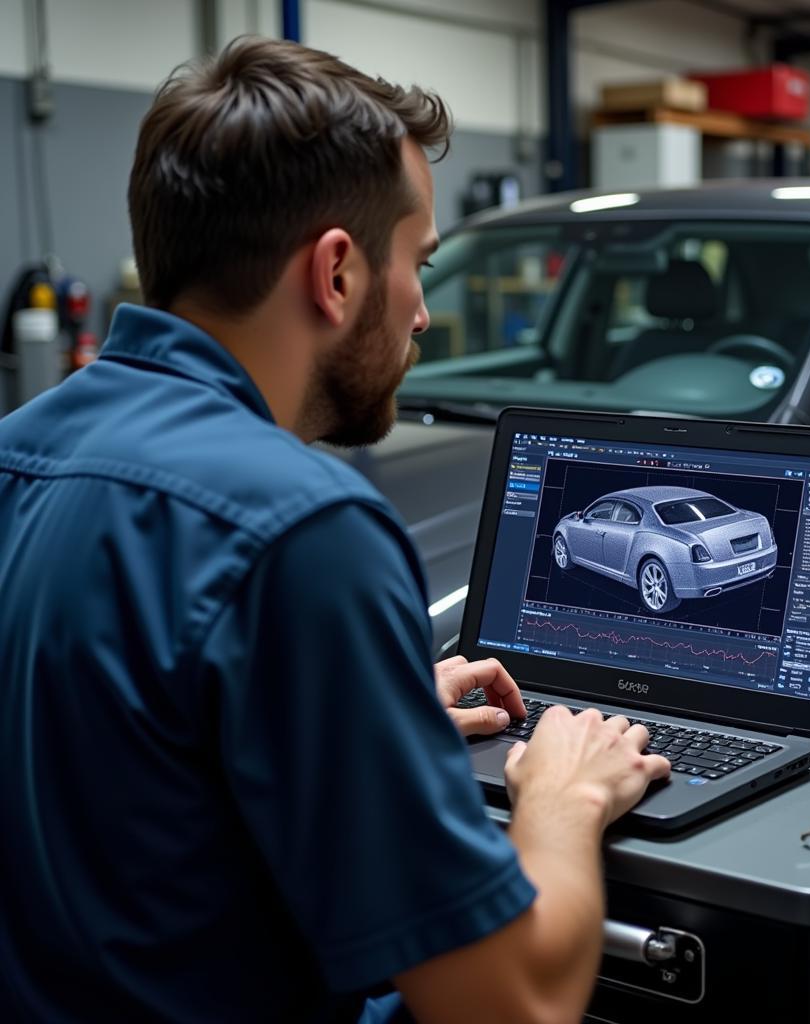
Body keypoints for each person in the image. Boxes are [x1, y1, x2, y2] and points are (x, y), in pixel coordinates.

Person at [0, 37, 669, 1023]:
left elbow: (118, 772)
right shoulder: (303, 530)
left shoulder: (18, 449)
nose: (425, 316)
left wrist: (361, 716)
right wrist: (562, 798)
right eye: (420, 265)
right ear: (338, 273)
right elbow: (513, 1005)